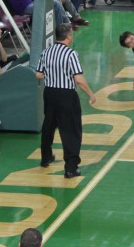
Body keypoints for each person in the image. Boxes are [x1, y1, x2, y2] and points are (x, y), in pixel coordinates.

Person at [36, 24, 99, 179]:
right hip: (66, 95)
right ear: (69, 36)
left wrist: (52, 77)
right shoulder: (71, 54)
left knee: (49, 125)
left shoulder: (46, 52)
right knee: (71, 130)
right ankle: (70, 168)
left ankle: (45, 157)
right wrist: (91, 94)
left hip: (49, 93)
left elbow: (38, 74)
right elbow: (79, 79)